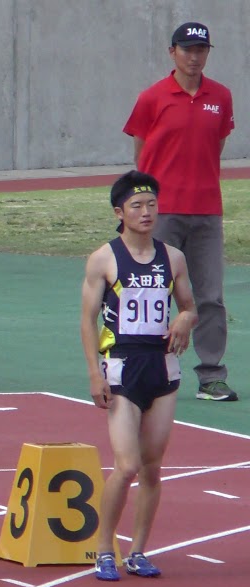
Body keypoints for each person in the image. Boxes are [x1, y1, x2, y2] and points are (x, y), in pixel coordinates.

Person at [80, 172, 197, 581]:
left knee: (151, 468)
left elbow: (190, 307)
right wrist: (95, 373)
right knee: (126, 465)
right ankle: (103, 549)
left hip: (162, 366)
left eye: (151, 205)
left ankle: (138, 550)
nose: (146, 213)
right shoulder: (104, 259)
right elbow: (87, 318)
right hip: (122, 365)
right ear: (120, 212)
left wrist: (185, 319)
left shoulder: (173, 257)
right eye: (136, 206)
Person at [124, 21, 236, 401]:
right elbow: (141, 153)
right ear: (172, 52)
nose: (194, 56)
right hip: (163, 213)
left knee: (209, 296)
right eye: (187, 49)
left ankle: (211, 376)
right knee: (154, 291)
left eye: (201, 50)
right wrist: (147, 201)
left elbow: (215, 145)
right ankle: (148, 371)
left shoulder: (220, 97)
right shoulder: (152, 98)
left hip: (207, 211)